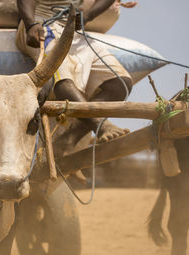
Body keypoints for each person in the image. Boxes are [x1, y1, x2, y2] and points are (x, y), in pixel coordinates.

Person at [16, 0, 133, 154]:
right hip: (41, 26)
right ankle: (99, 125)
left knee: (120, 83)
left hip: (73, 29)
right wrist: (30, 24)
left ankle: (69, 139)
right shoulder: (35, 25)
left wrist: (88, 16)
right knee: (63, 81)